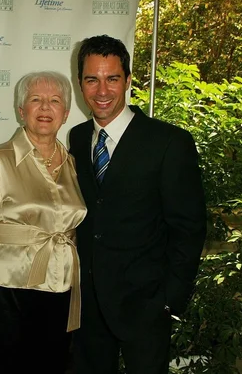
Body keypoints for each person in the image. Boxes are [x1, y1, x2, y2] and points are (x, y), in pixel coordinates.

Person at [68, 34, 207, 374]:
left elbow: (189, 229)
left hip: (146, 306)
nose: (102, 91)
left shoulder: (169, 142)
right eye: (92, 79)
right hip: (87, 307)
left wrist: (169, 302)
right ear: (80, 84)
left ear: (128, 81)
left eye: (112, 79)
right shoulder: (77, 137)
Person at [0, 71, 86, 374]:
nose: (45, 108)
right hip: (8, 298)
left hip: (61, 297)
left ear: (66, 113)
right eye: (36, 100)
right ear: (21, 111)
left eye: (55, 101)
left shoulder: (73, 164)